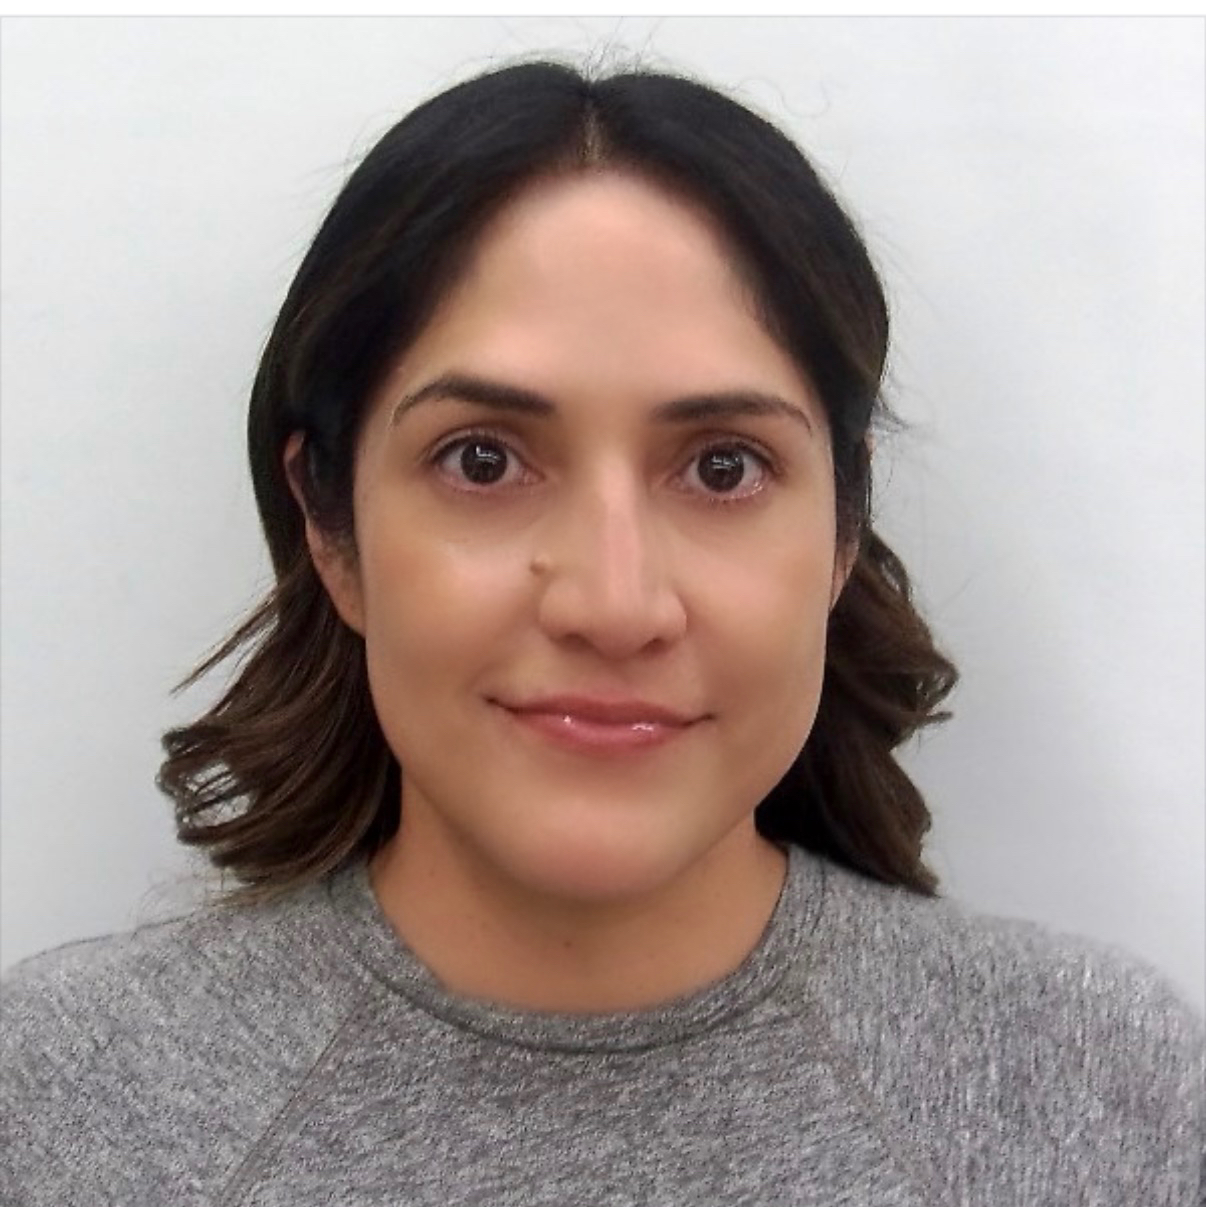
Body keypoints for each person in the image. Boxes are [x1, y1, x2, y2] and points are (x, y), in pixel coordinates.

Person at [1, 59, 1201, 1206]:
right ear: (330, 527)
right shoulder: (60, 1104)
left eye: (723, 467)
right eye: (483, 460)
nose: (615, 604)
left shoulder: (1108, 1089)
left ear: (844, 530)